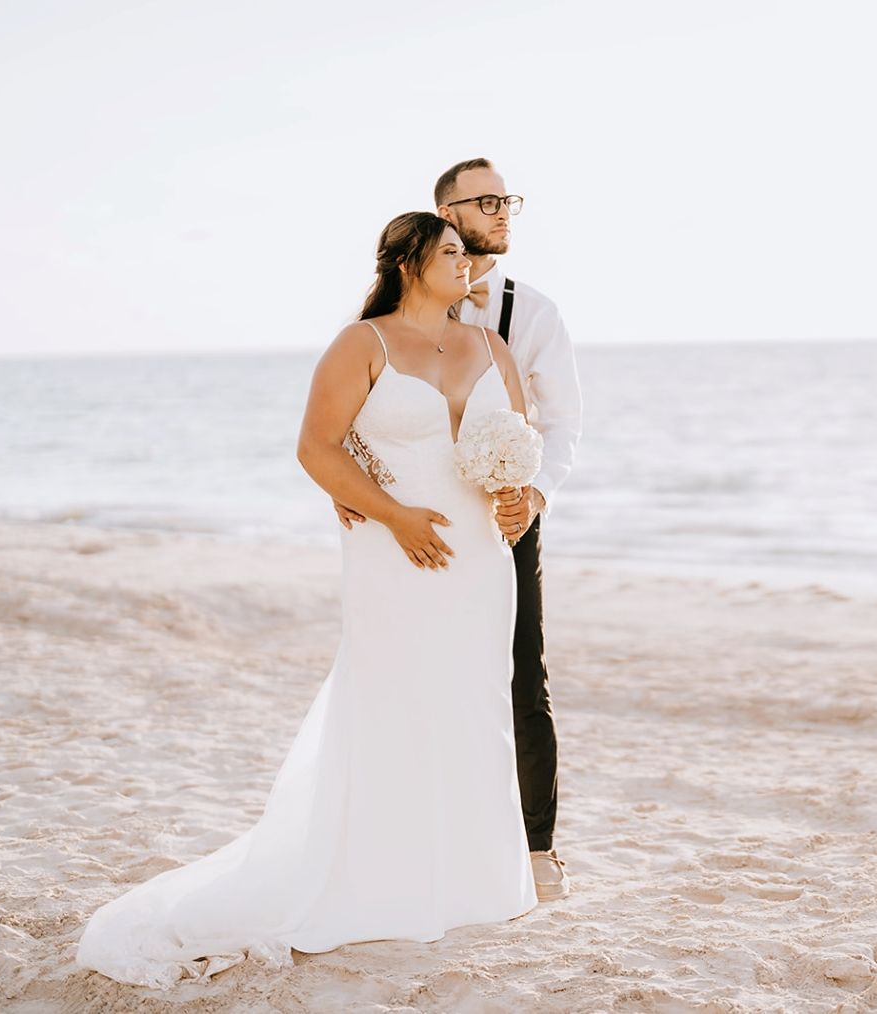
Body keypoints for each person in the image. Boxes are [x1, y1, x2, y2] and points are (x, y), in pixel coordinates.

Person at [76, 212, 538, 988]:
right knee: (393, 700)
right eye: (453, 251)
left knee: (475, 700)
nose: (468, 264)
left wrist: (521, 500)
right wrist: (393, 516)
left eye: (468, 254)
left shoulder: (491, 346)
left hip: (482, 558)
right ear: (409, 262)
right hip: (393, 552)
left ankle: (475, 881)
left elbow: (516, 442)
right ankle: (380, 878)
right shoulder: (363, 344)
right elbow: (316, 447)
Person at [336, 158, 582, 901]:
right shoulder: (387, 312)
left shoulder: (531, 313)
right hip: (406, 520)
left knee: (518, 676)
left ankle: (536, 848)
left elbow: (563, 420)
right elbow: (350, 413)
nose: (502, 210)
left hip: (505, 518)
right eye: (484, 201)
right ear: (445, 213)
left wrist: (531, 496)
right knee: (414, 671)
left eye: (507, 198)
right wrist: (353, 493)